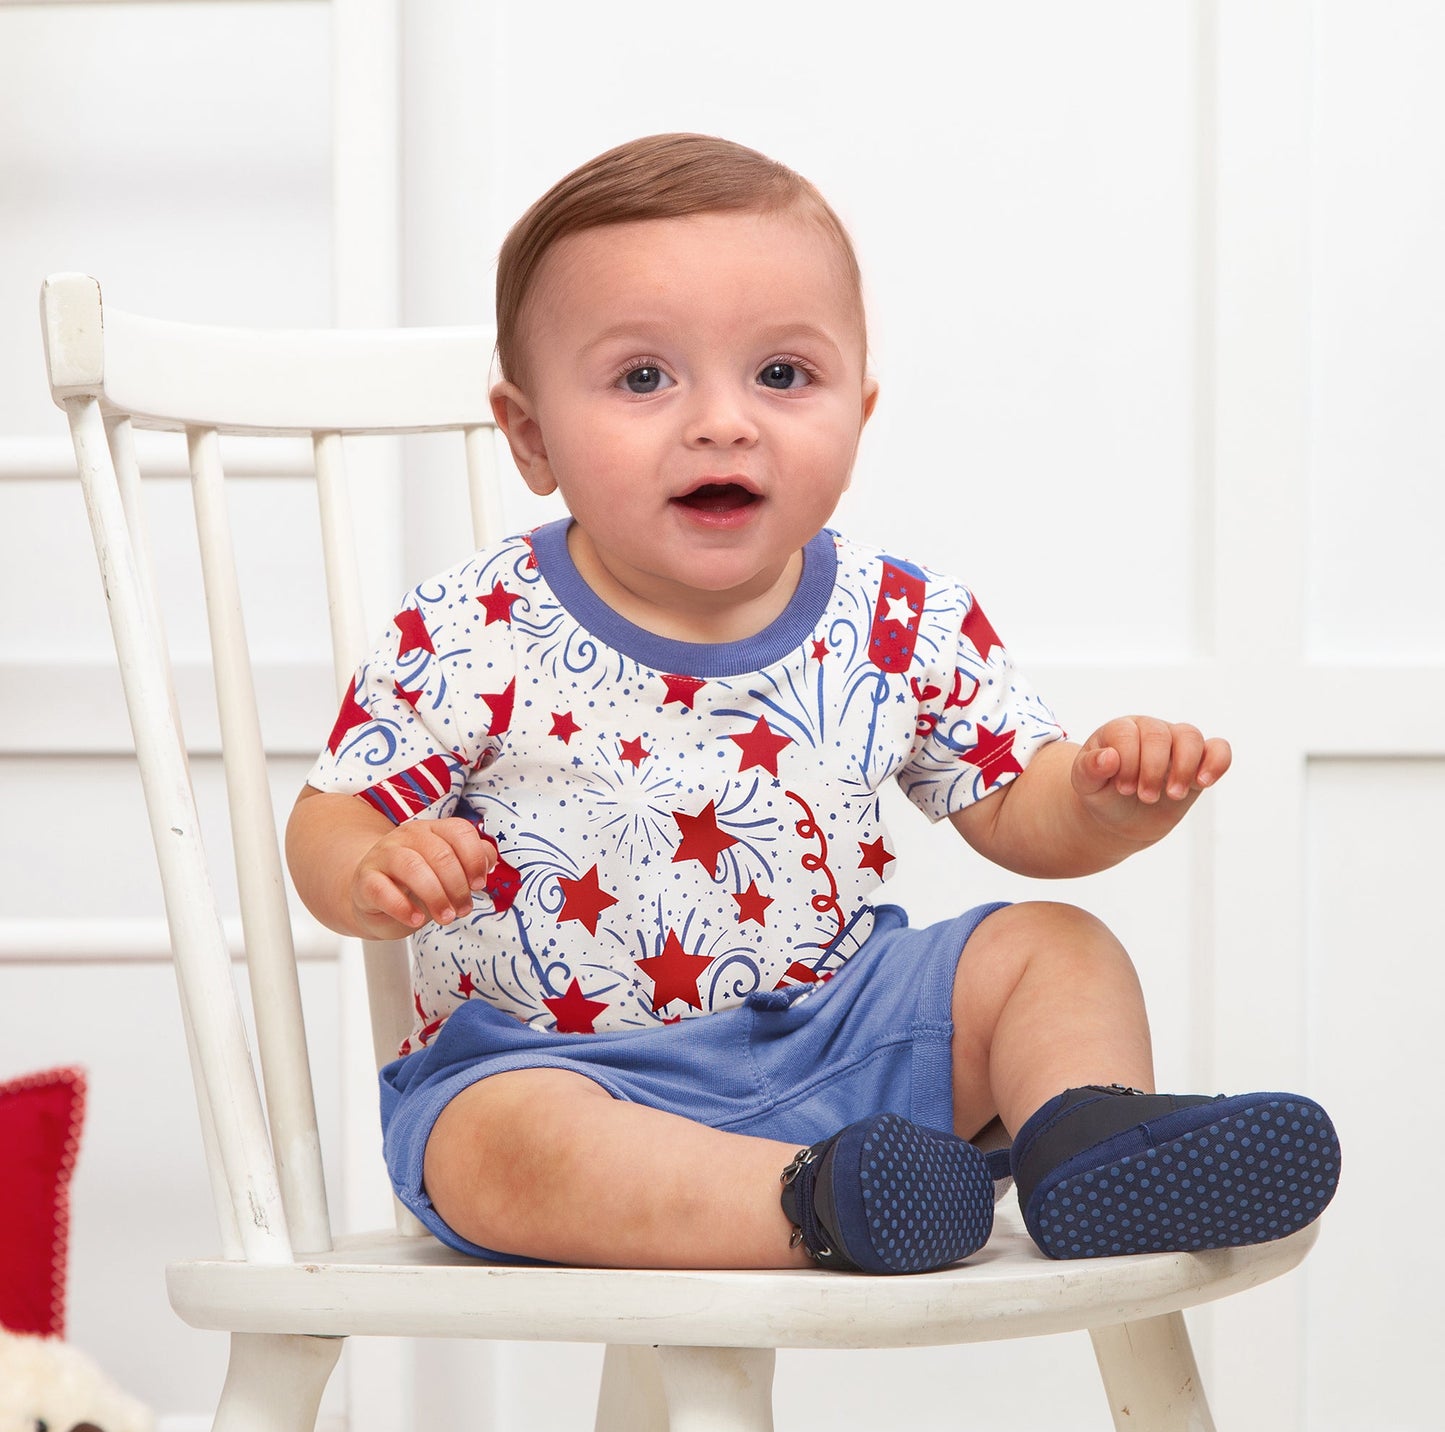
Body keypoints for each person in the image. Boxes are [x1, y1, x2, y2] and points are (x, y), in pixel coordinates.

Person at [286, 133, 1340, 1274]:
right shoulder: (472, 626)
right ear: (532, 434)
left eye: (781, 375)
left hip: (844, 1046)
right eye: (644, 377)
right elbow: (330, 813)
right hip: (567, 1073)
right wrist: (366, 871)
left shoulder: (896, 616)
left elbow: (1015, 810)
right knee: (497, 1145)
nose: (722, 422)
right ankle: (820, 1202)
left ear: (857, 410)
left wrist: (1102, 798)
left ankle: (1085, 1149)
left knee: (1051, 947)